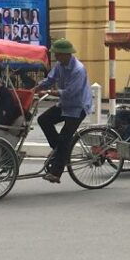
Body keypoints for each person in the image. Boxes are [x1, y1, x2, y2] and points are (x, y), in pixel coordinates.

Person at [33, 38, 92, 183]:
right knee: (43, 119)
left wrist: (50, 92)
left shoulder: (78, 69)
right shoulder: (60, 65)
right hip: (65, 104)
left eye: (58, 54)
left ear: (66, 54)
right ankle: (59, 150)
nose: (56, 57)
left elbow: (71, 92)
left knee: (65, 138)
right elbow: (50, 79)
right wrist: (36, 88)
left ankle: (56, 173)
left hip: (78, 106)